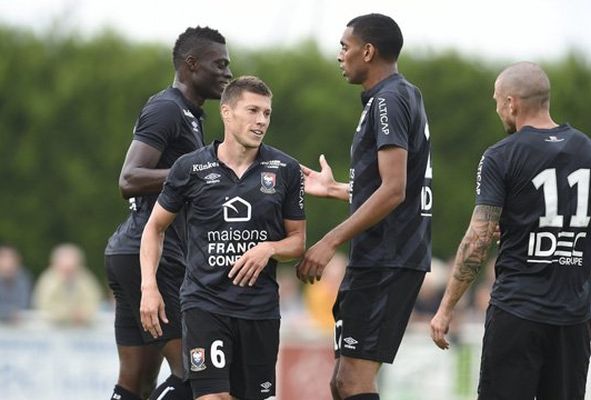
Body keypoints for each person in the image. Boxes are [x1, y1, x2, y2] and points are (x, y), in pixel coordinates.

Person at [430, 61, 591, 400]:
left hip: (517, 312)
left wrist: (446, 307)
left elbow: (477, 240)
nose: (497, 110)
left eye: (496, 101)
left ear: (512, 103)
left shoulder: (501, 156)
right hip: (573, 317)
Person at [139, 76, 306, 400]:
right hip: (205, 303)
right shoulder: (190, 168)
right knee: (212, 396)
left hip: (260, 310)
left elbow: (297, 241)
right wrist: (149, 286)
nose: (261, 121)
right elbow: (154, 228)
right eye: (253, 110)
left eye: (267, 113)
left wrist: (268, 249)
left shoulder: (285, 169)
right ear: (227, 113)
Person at [296, 13, 432, 400]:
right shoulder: (399, 95)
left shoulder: (389, 99)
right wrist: (339, 188)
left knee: (352, 382)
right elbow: (388, 185)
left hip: (389, 257)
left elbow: (394, 190)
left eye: (345, 46)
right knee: (342, 383)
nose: (340, 55)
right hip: (382, 255)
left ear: (367, 51)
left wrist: (328, 242)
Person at [104, 26, 232, 400]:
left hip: (132, 252)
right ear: (191, 65)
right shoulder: (167, 107)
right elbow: (129, 178)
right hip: (151, 254)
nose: (227, 72)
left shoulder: (191, 115)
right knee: (195, 377)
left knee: (137, 384)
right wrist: (201, 171)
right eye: (219, 64)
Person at [33, 243, 103, 326]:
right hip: (52, 328)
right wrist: (69, 314)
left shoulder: (86, 278)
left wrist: (84, 313)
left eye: (72, 268)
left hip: (82, 328)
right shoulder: (48, 280)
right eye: (65, 268)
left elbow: (94, 301)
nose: (69, 272)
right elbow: (43, 305)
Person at [0, 244, 32, 323]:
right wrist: (8, 313)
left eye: (11, 260)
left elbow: (24, 302)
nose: (8, 264)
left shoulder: (23, 278)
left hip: (18, 322)